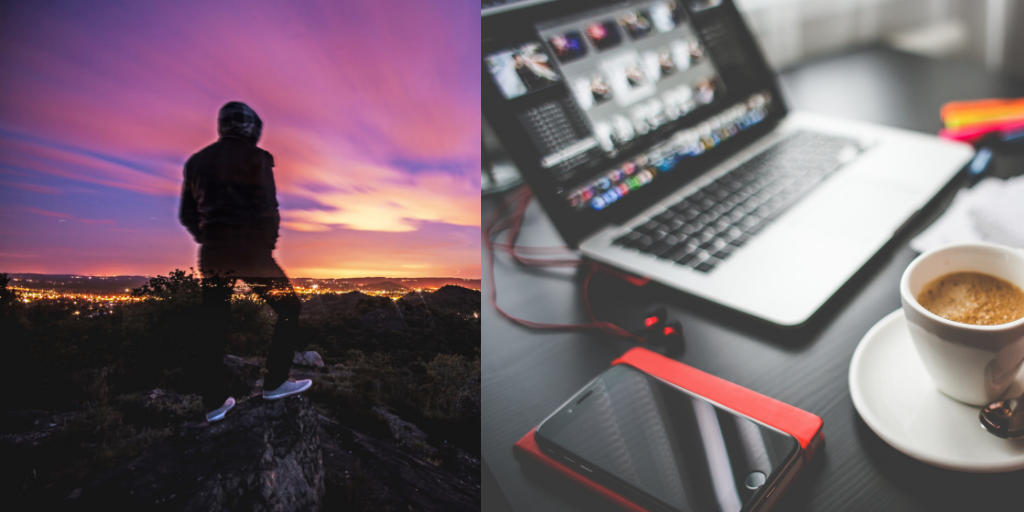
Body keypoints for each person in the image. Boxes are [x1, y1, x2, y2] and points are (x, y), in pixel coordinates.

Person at [179, 101, 312, 423]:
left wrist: (207, 237)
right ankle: (276, 381)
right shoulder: (256, 158)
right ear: (252, 127)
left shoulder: (197, 162)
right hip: (251, 253)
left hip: (213, 256)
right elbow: (268, 207)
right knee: (289, 309)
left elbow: (186, 214)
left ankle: (213, 404)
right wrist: (265, 245)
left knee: (213, 325)